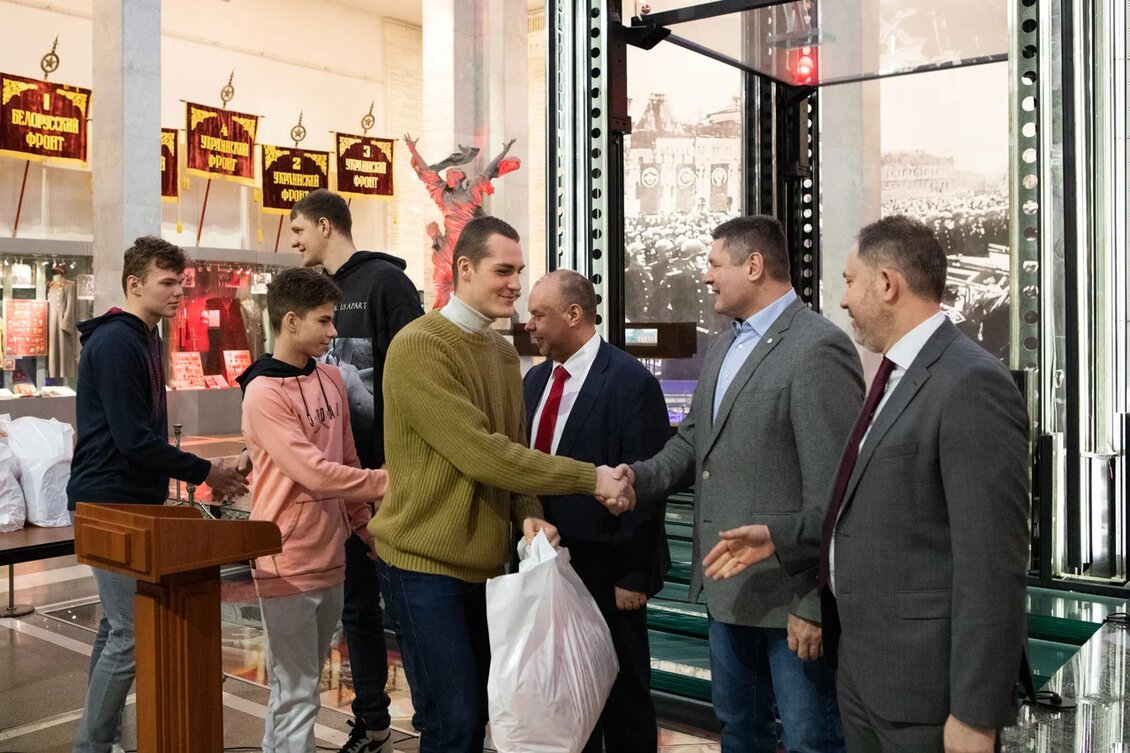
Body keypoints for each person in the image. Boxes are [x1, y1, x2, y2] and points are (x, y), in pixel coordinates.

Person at [703, 215, 1029, 753]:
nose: (845, 300)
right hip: (868, 676)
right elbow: (865, 510)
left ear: (887, 284)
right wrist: (780, 537)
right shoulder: (896, 374)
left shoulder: (970, 382)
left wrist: (976, 712)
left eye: (851, 282)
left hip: (925, 690)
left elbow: (992, 565)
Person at [372, 215, 633, 753]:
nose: (515, 284)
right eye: (503, 270)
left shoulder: (501, 352)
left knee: (481, 719)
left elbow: (511, 446)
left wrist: (528, 512)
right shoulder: (419, 346)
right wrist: (590, 478)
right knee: (454, 722)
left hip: (488, 568)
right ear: (464, 268)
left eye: (519, 270)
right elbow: (481, 452)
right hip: (423, 566)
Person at [621, 216, 863, 753]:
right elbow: (693, 443)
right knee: (739, 734)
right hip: (728, 595)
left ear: (754, 266)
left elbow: (836, 495)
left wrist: (814, 603)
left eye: (714, 264)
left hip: (792, 603)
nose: (706, 276)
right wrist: (635, 479)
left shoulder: (818, 348)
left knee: (811, 741)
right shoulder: (725, 346)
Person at [67, 236, 249, 753]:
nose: (178, 293)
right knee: (129, 634)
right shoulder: (118, 342)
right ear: (134, 284)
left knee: (115, 629)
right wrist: (206, 471)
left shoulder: (143, 336)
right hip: (109, 501)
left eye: (181, 283)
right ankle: (91, 746)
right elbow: (132, 440)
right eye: (167, 283)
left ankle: (100, 740)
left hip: (126, 499)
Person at [289, 188, 424, 752]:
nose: (294, 242)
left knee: (410, 606)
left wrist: (400, 466)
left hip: (390, 481)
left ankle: (435, 721)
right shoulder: (318, 291)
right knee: (357, 609)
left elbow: (418, 377)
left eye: (298, 230)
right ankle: (371, 722)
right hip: (341, 482)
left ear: (326, 226)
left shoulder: (387, 284)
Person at [238, 268, 389, 753]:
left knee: (302, 687)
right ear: (290, 321)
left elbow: (346, 458)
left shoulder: (330, 378)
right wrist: (389, 481)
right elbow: (314, 471)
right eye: (323, 321)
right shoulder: (263, 391)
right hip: (285, 557)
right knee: (297, 691)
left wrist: (364, 528)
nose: (333, 331)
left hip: (332, 554)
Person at [522, 270, 671, 753]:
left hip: (608, 571)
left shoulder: (630, 382)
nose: (529, 325)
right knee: (566, 696)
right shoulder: (535, 381)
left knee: (623, 697)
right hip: (547, 567)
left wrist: (633, 575)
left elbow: (646, 484)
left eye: (539, 315)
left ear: (574, 314)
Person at [403, 134, 520, 308]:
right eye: (448, 174)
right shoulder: (443, 195)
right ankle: (441, 314)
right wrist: (413, 149)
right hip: (449, 247)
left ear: (460, 177)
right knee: (442, 282)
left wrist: (504, 151)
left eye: (452, 173)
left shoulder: (471, 192)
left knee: (469, 282)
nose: (448, 175)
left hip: (467, 244)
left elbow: (488, 171)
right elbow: (426, 172)